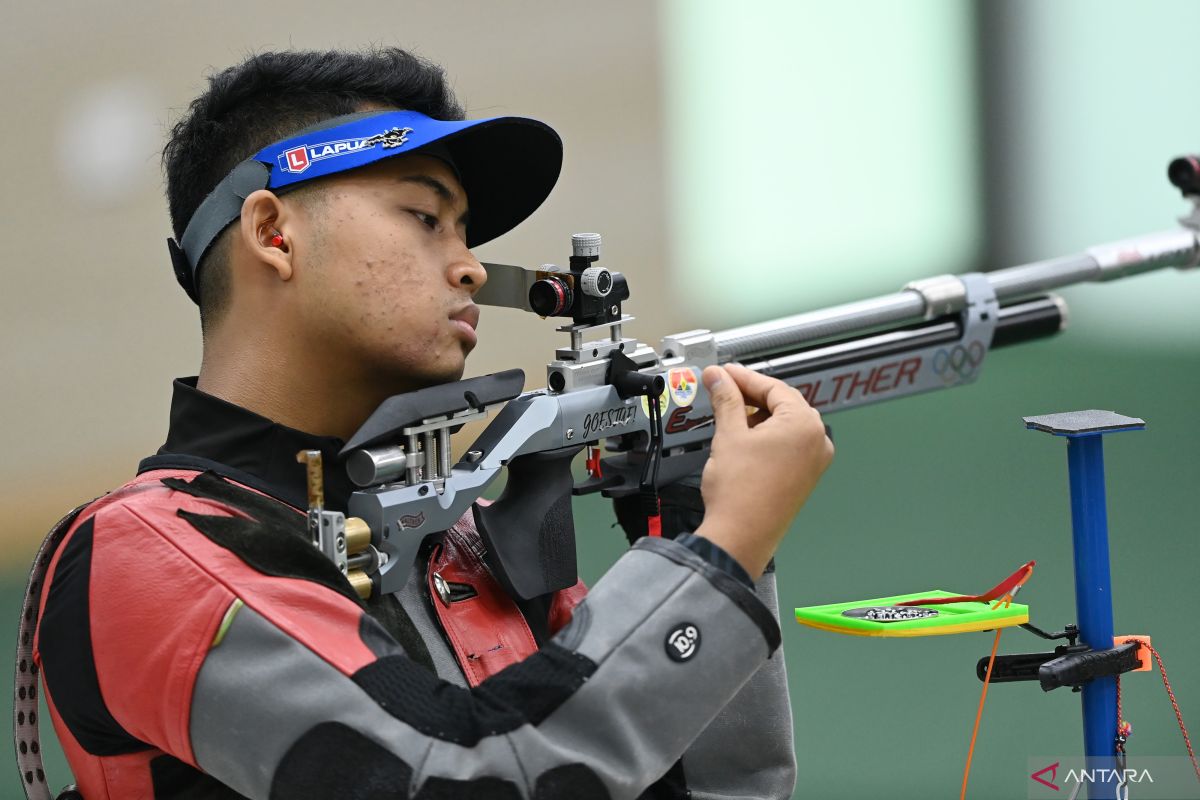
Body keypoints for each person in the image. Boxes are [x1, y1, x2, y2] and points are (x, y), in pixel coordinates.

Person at [23, 48, 833, 800]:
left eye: (467, 231)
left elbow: (715, 788)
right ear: (273, 233)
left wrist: (696, 525)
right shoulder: (143, 553)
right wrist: (718, 557)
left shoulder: (455, 538)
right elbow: (468, 776)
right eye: (424, 216)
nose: (472, 265)